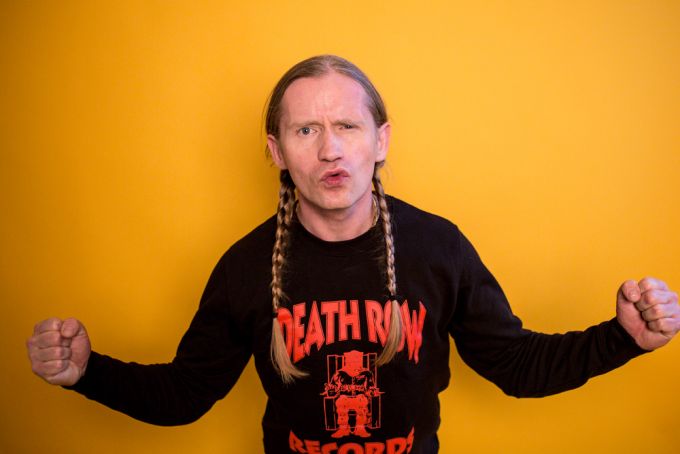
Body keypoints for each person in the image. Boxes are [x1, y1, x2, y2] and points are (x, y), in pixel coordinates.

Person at [27, 55, 679, 454]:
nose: (330, 149)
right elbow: (185, 395)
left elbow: (517, 366)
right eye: (305, 129)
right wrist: (88, 372)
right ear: (277, 152)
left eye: (347, 126)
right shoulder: (246, 268)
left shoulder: (437, 249)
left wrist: (622, 338)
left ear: (381, 140)